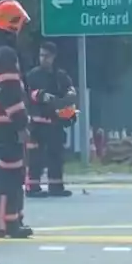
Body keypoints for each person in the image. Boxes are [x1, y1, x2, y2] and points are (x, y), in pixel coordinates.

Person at [0, 0, 35, 239]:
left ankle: (9, 219)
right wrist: (22, 123)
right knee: (9, 173)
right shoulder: (4, 53)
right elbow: (10, 91)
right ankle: (4, 222)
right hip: (6, 122)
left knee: (9, 172)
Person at [24, 41, 77, 197]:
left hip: (55, 123)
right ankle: (32, 188)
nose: (43, 59)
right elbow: (28, 93)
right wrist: (41, 96)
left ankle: (56, 187)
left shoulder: (60, 76)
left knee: (56, 156)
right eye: (41, 55)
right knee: (35, 158)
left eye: (46, 56)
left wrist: (70, 95)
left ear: (53, 57)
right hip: (37, 124)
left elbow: (70, 89)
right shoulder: (33, 75)